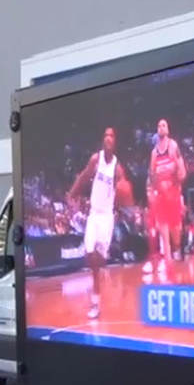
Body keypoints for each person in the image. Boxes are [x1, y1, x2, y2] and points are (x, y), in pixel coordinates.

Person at [67, 127, 127, 320]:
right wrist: (72, 193)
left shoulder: (117, 168)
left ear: (115, 141)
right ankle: (98, 274)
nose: (108, 138)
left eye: (111, 136)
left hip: (107, 217)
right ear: (103, 140)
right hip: (94, 214)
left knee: (98, 261)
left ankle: (95, 301)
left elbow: (123, 191)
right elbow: (84, 177)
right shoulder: (96, 159)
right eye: (105, 135)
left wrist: (124, 201)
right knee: (89, 255)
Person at [146, 118, 187, 270]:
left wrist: (178, 178)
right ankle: (168, 260)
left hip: (174, 192)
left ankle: (177, 247)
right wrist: (152, 191)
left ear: (168, 129)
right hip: (161, 195)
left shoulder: (173, 146)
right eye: (159, 126)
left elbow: (182, 170)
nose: (161, 127)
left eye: (163, 125)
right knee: (163, 227)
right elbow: (151, 175)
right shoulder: (154, 153)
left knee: (175, 231)